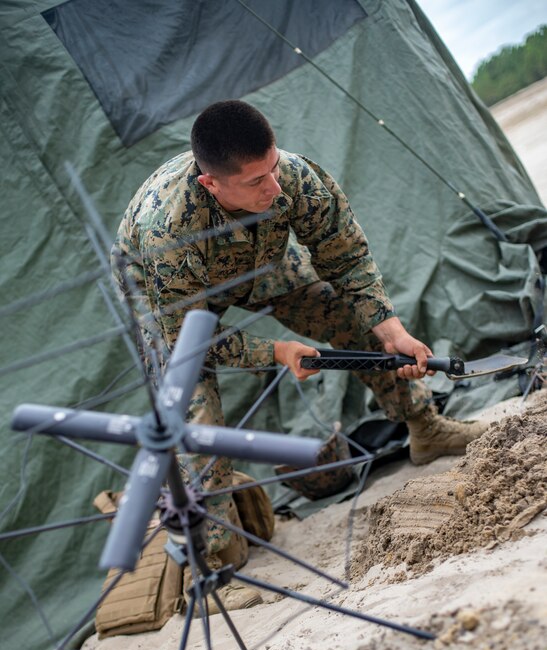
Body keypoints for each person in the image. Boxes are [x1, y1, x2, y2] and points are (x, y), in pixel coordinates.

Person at [112, 99, 487, 610]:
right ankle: (210, 574)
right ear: (212, 185)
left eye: (273, 170)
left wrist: (390, 327)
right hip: (169, 303)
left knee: (352, 318)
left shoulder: (289, 176)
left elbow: (343, 251)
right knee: (192, 414)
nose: (275, 188)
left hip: (258, 260)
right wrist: (278, 350)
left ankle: (424, 426)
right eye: (256, 182)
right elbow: (191, 342)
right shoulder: (167, 231)